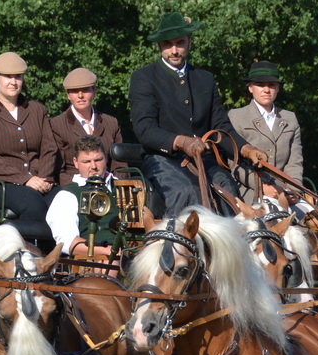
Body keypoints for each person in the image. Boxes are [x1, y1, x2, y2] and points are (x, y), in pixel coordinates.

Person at [127, 12, 272, 215]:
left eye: (180, 43)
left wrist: (246, 149)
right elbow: (145, 129)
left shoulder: (204, 78)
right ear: (160, 46)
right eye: (168, 44)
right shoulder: (144, 77)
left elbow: (220, 126)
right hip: (163, 161)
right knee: (188, 192)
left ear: (189, 43)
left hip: (206, 160)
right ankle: (183, 246)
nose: (175, 50)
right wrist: (180, 141)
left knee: (229, 190)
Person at [0, 51, 59, 227]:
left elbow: (50, 149)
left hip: (39, 180)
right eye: (8, 77)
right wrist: (26, 179)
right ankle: (31, 253)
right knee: (32, 204)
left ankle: (62, 253)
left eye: (18, 77)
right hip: (0, 185)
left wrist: (45, 178)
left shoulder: (37, 110)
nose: (13, 82)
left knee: (65, 200)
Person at [227, 60, 303, 197]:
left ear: (278, 88)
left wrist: (294, 190)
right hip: (249, 189)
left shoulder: (290, 118)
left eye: (271, 85)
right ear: (250, 88)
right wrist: (262, 187)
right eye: (260, 85)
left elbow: (294, 162)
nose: (266, 90)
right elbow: (234, 163)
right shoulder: (236, 116)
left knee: (311, 215)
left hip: (285, 190)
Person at [46, 135, 123, 263]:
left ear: (106, 158)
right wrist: (110, 251)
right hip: (97, 260)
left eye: (98, 159)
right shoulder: (67, 195)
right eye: (86, 162)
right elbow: (67, 242)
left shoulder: (123, 186)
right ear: (75, 162)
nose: (93, 166)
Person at [48, 68, 123, 185]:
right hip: (74, 188)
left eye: (85, 90)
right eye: (74, 91)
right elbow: (58, 170)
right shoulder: (56, 125)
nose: (80, 95)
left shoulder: (111, 123)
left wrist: (116, 187)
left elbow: (120, 165)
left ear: (94, 92)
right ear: (68, 95)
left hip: (108, 187)